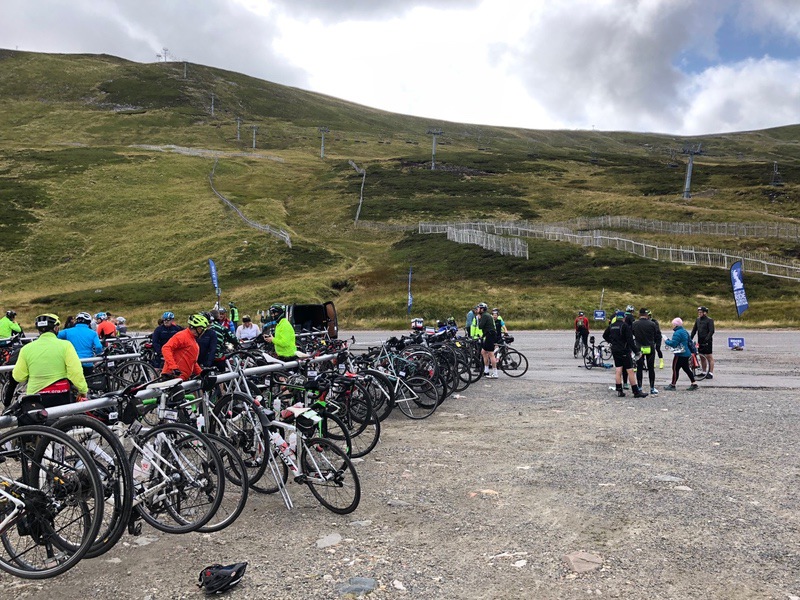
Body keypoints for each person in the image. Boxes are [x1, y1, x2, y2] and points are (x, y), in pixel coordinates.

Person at [11, 313, 88, 408]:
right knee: (62, 417)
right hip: (60, 394)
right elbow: (75, 372)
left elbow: (19, 376)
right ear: (56, 328)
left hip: (35, 396)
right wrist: (83, 390)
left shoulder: (26, 349)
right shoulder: (66, 345)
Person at [603, 309, 648, 398]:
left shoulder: (611, 326)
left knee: (618, 369)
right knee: (630, 370)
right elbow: (630, 341)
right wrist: (637, 351)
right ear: (624, 318)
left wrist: (612, 342)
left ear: (616, 317)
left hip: (615, 350)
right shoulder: (625, 326)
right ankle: (636, 391)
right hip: (624, 350)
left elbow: (605, 335)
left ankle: (619, 390)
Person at [161, 313, 208, 380]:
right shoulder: (182, 336)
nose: (202, 332)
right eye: (201, 329)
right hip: (172, 376)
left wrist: (201, 373)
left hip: (183, 378)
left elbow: (192, 362)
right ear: (194, 328)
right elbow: (166, 348)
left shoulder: (193, 340)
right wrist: (173, 367)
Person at [57, 311, 103, 376]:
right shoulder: (93, 333)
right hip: (88, 362)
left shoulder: (67, 331)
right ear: (88, 322)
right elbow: (98, 347)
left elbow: (54, 336)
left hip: (72, 362)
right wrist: (98, 354)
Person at [664, 317, 698, 391]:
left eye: (673, 324)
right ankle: (694, 383)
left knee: (675, 369)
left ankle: (673, 385)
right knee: (686, 369)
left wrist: (666, 340)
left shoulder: (677, 333)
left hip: (680, 354)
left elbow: (673, 344)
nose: (672, 326)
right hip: (686, 353)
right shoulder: (684, 331)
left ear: (676, 325)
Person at [632, 308, 660, 395]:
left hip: (639, 347)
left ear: (639, 314)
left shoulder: (635, 324)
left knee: (639, 368)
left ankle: (640, 387)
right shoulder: (652, 324)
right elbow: (656, 334)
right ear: (646, 315)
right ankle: (652, 388)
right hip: (650, 347)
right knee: (651, 368)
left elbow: (633, 333)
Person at [691, 306, 715, 379]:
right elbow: (694, 330)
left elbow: (711, 331)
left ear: (705, 313)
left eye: (701, 312)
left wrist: (707, 339)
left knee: (709, 356)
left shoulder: (709, 320)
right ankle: (704, 372)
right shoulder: (698, 320)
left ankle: (710, 373)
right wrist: (690, 338)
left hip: (708, 341)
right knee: (701, 356)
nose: (699, 313)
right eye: (698, 312)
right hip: (700, 340)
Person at [476, 302, 498, 379]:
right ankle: (486, 371)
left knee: (491, 354)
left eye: (478, 308)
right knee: (483, 352)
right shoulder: (486, 315)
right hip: (489, 335)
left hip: (490, 335)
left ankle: (495, 373)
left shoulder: (484, 316)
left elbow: (480, 326)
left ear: (482, 309)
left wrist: (479, 319)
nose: (477, 309)